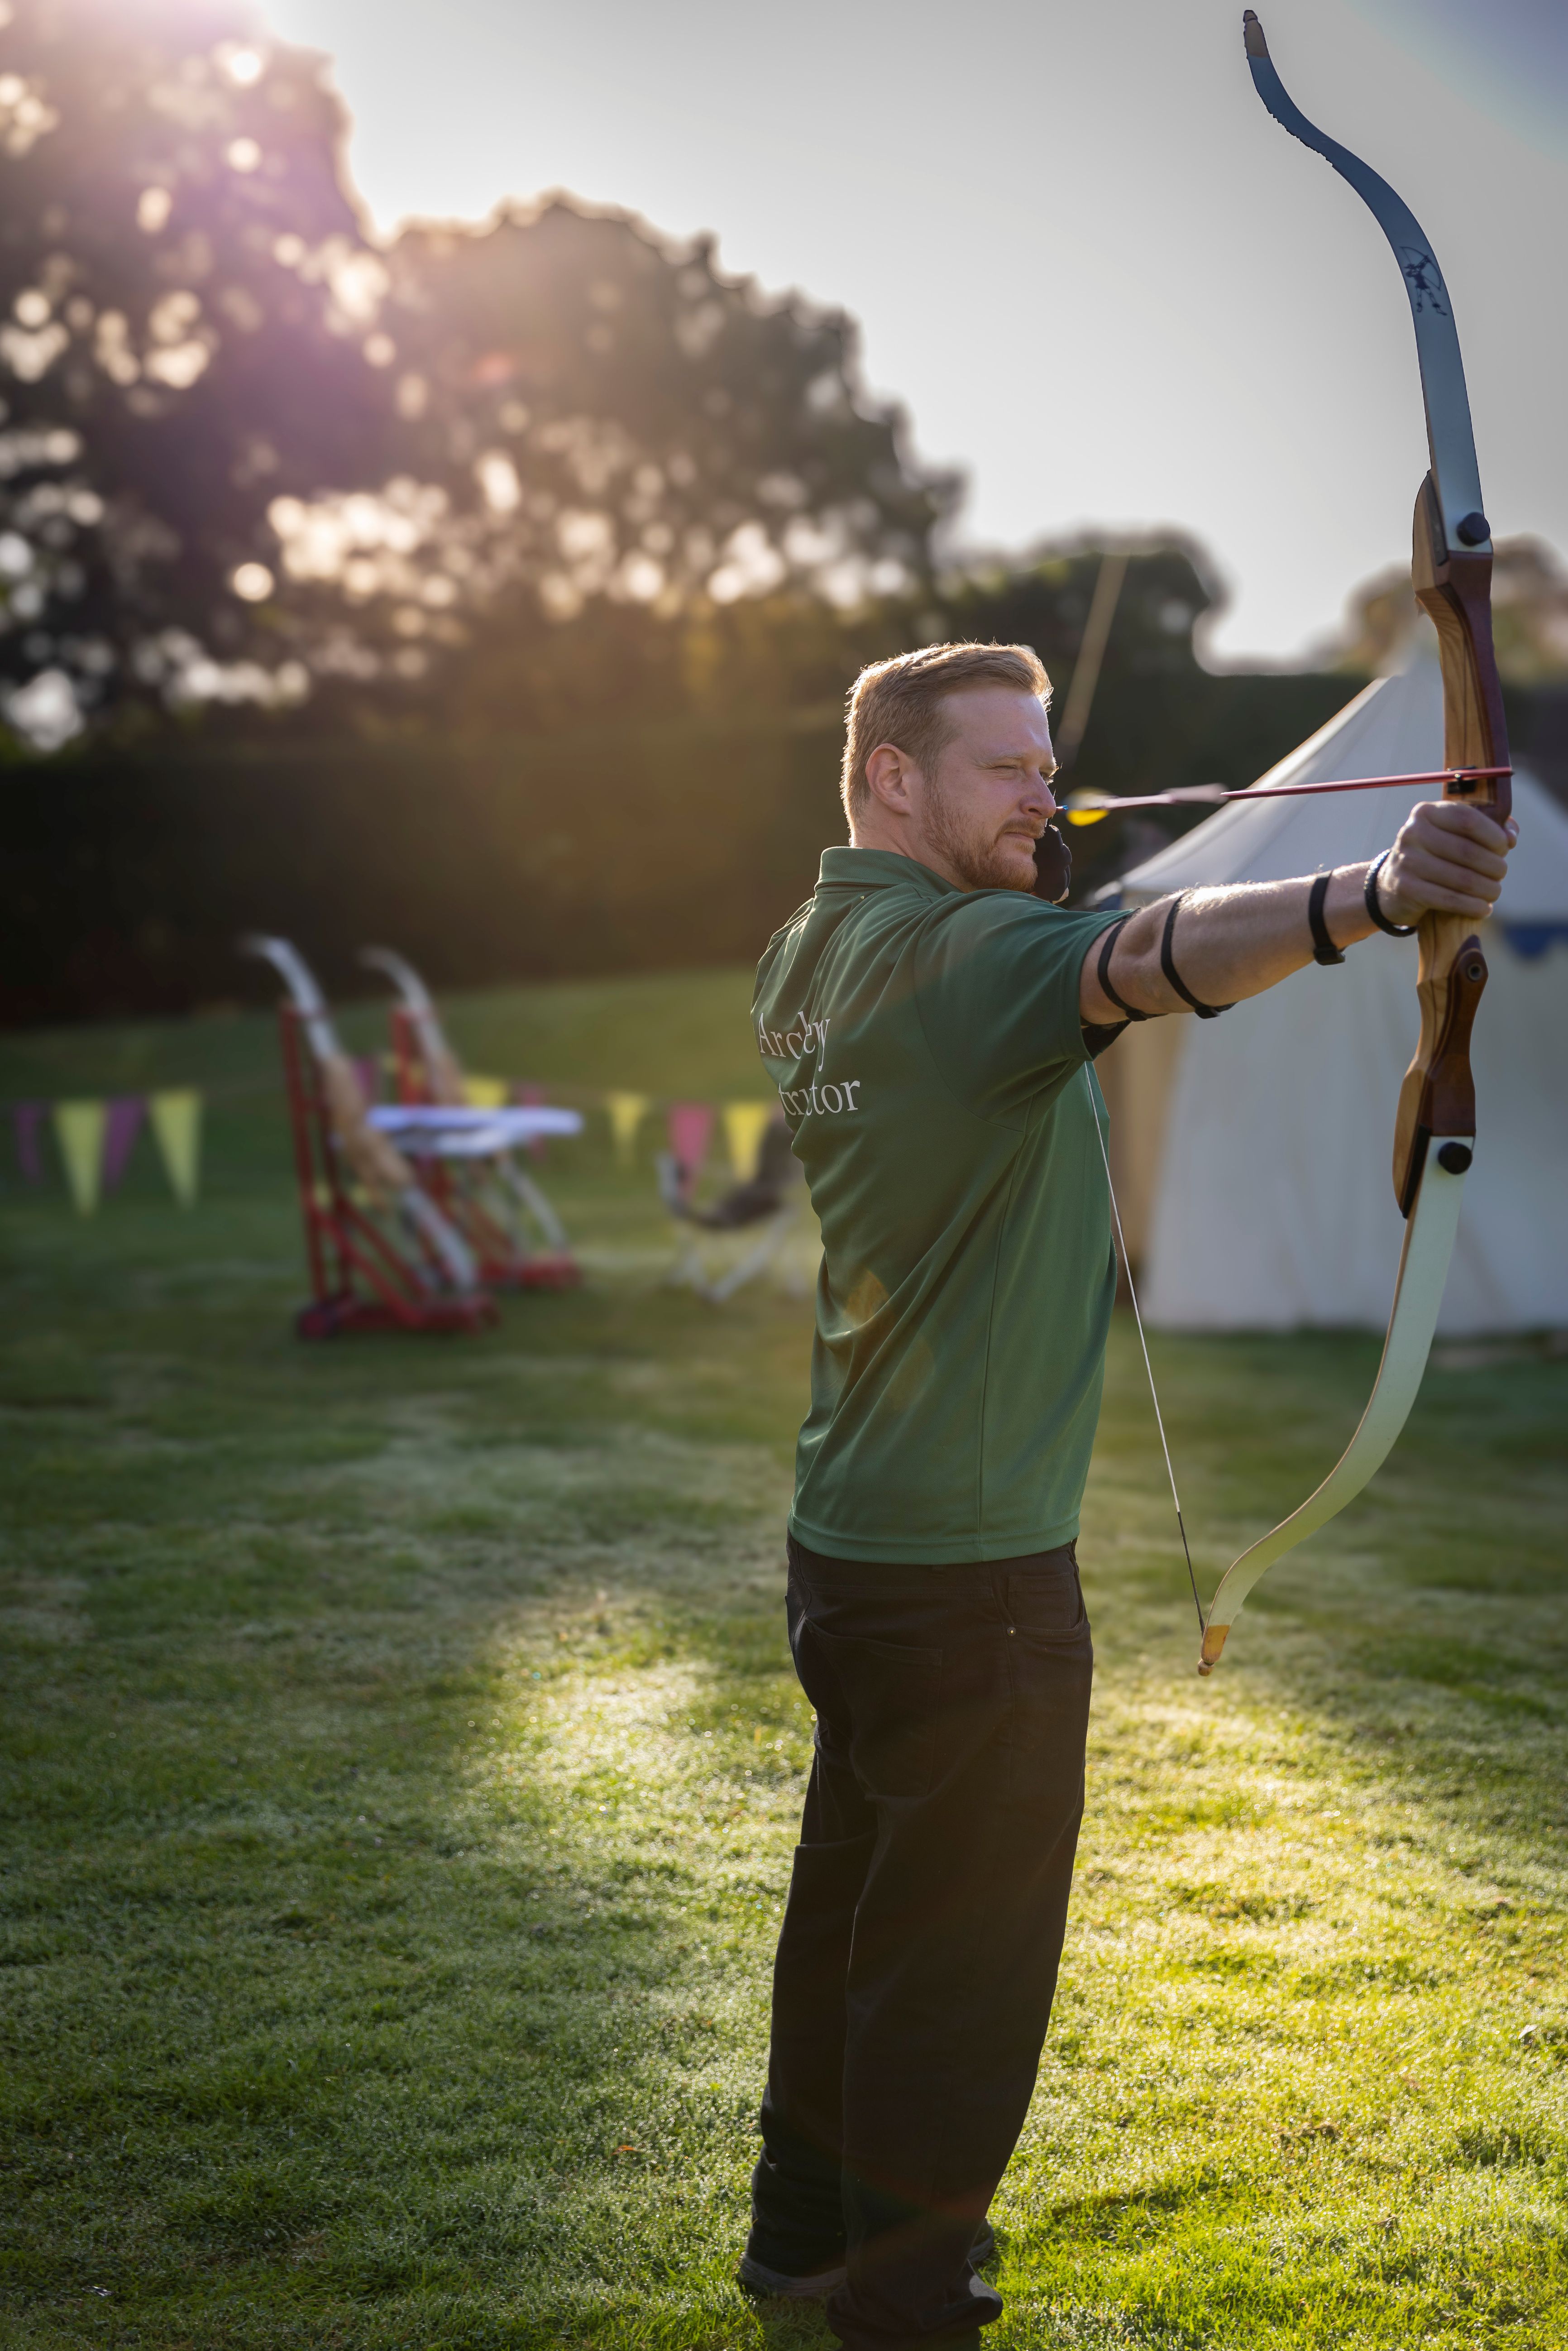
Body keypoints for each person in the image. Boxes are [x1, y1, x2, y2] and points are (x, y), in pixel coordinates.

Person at [738, 641, 1515, 2351]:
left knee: (854, 1905)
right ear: (889, 777)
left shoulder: (813, 949)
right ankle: (908, 2301)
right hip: (974, 1579)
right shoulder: (960, 959)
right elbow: (1146, 956)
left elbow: (1084, 946)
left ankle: (801, 2244)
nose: (1047, 792)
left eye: (1047, 760)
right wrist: (1376, 895)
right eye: (1006, 767)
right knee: (961, 1965)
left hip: (852, 1550)